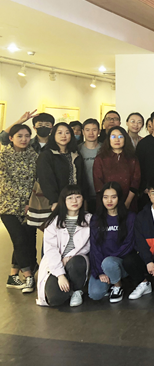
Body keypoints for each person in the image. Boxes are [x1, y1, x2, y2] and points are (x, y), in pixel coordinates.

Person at [36, 185, 91, 307]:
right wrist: (60, 275)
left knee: (77, 262)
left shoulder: (89, 220)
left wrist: (70, 256)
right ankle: (67, 288)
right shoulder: (53, 222)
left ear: (83, 199)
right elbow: (50, 250)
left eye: (78, 197)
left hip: (75, 260)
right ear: (63, 201)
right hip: (55, 263)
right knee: (55, 299)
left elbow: (89, 245)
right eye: (70, 198)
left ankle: (77, 290)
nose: (74, 201)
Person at [0, 124, 38, 293]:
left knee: (25, 241)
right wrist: (21, 199)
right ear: (11, 138)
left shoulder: (34, 156)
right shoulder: (3, 156)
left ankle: (13, 276)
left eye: (27, 136)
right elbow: (4, 182)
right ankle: (28, 276)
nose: (24, 139)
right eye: (19, 136)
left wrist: (31, 201)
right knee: (19, 239)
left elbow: (36, 181)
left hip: (29, 206)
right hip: (7, 206)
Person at [28, 122, 86, 229]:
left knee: (72, 231)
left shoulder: (76, 154)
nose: (63, 136)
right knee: (54, 232)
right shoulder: (47, 155)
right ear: (53, 135)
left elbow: (82, 178)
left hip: (73, 201)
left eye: (67, 133)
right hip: (54, 201)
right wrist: (54, 200)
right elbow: (46, 179)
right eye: (59, 133)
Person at [87, 182, 136, 303]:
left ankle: (117, 286)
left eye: (113, 197)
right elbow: (95, 247)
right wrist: (100, 271)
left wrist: (109, 263)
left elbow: (129, 243)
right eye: (105, 197)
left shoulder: (130, 217)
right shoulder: (96, 218)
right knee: (95, 294)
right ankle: (112, 280)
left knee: (109, 263)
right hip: (102, 264)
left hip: (119, 262)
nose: (109, 200)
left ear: (119, 198)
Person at [93, 126, 141, 211]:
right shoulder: (100, 158)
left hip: (128, 201)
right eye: (113, 136)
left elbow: (136, 181)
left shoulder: (132, 158)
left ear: (125, 139)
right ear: (108, 139)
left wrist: (127, 203)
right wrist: (108, 201)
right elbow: (98, 183)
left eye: (120, 136)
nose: (117, 140)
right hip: (106, 203)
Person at [78, 118, 101, 213]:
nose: (91, 133)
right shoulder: (77, 150)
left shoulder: (105, 149)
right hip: (82, 195)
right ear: (83, 132)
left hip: (102, 194)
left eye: (94, 130)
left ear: (99, 131)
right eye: (87, 130)